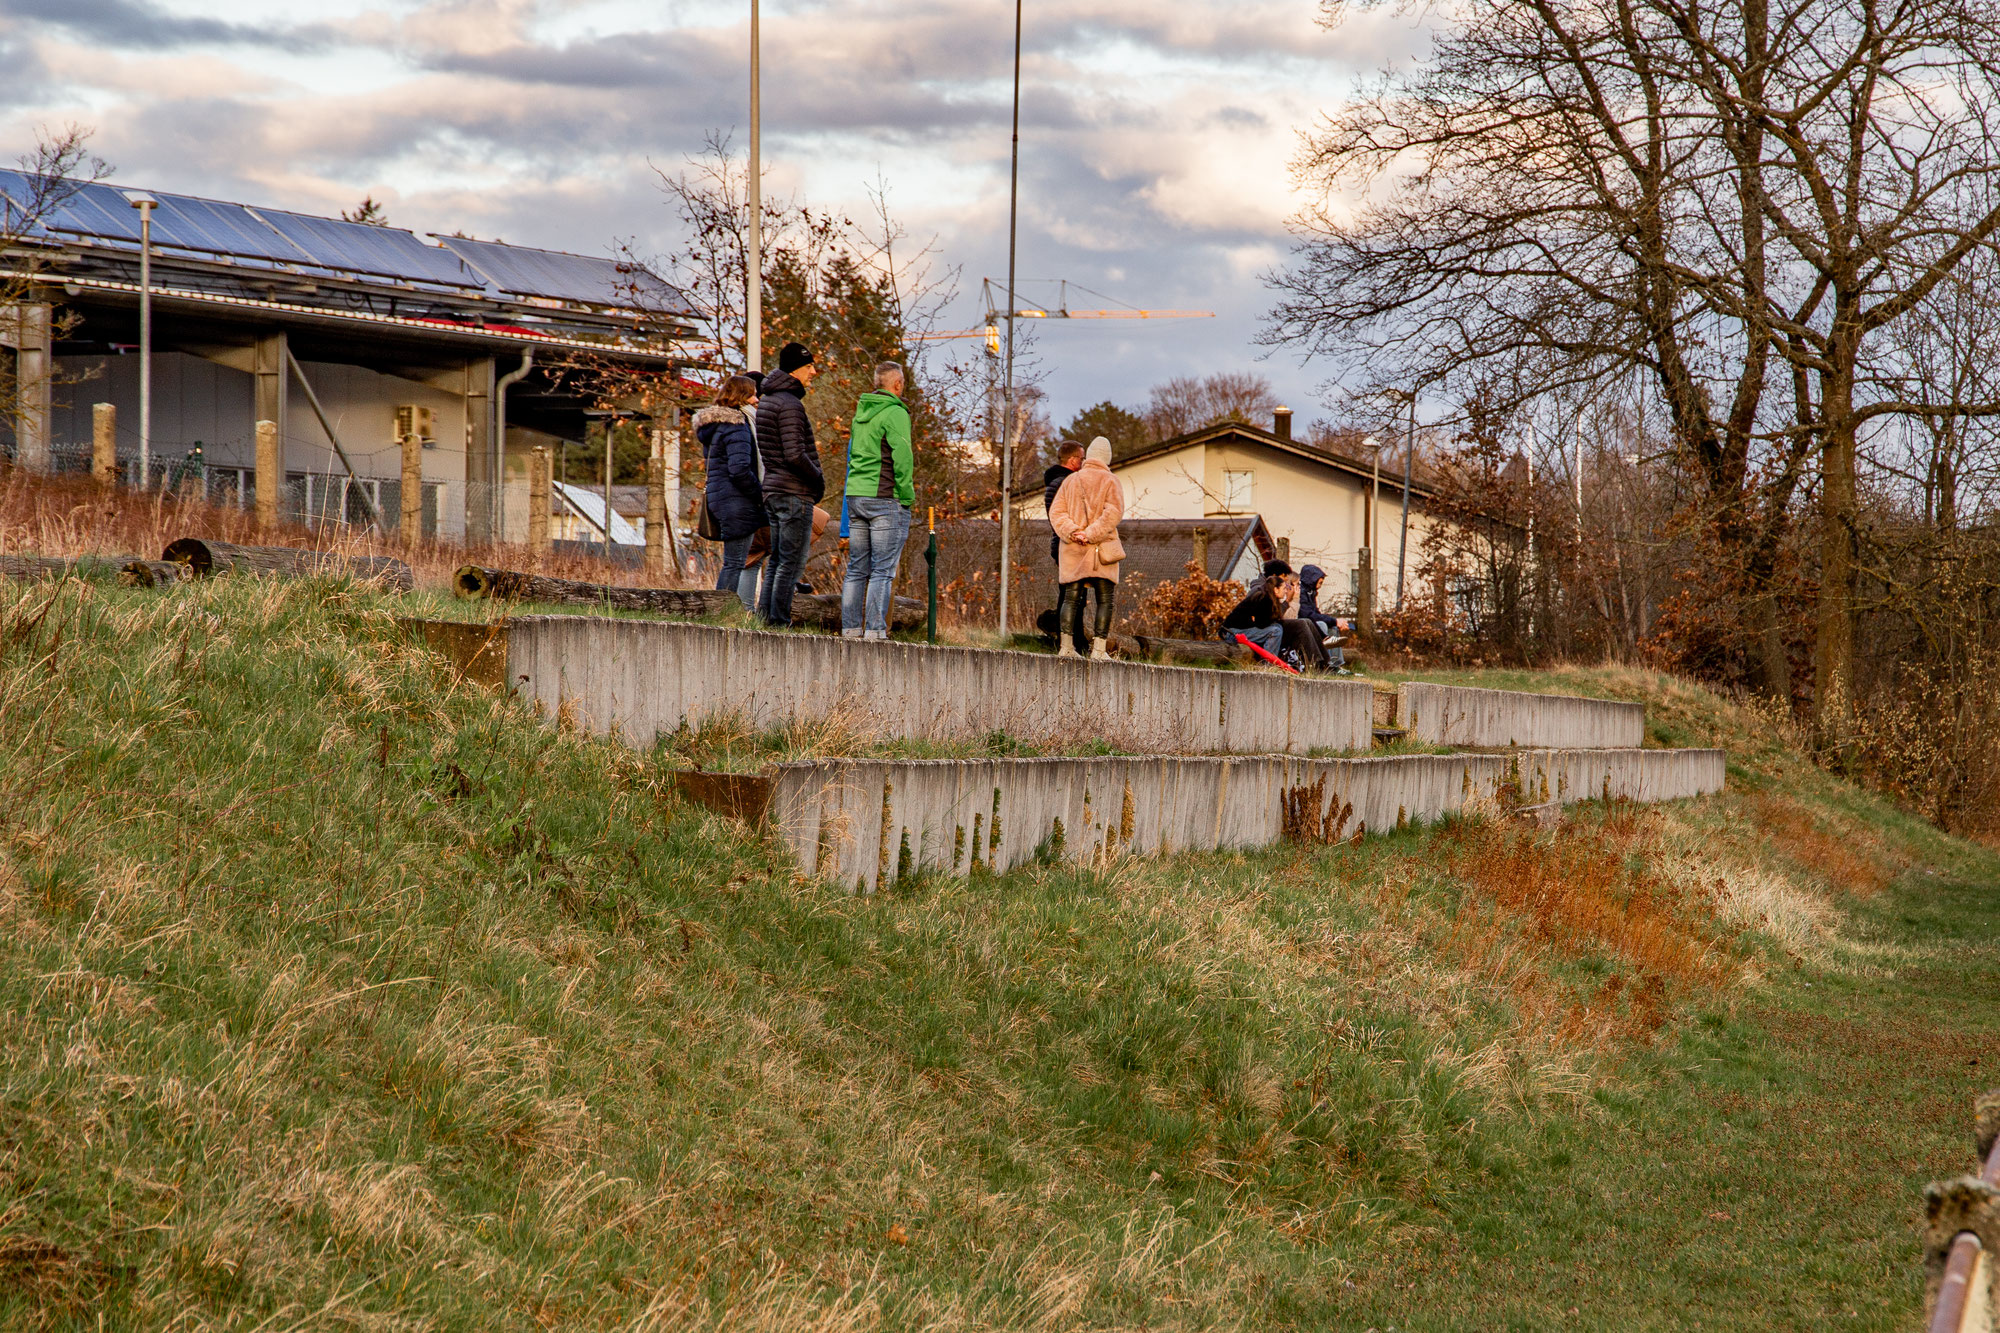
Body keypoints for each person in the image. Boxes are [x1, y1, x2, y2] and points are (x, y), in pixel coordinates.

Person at [841, 362, 916, 640]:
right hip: (884, 498)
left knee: (857, 568)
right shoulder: (895, 412)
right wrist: (906, 496)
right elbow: (903, 458)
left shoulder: (861, 412)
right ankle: (874, 631)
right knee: (882, 570)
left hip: (856, 496)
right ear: (897, 384)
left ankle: (849, 629)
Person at [754, 342, 823, 626]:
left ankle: (763, 620)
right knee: (791, 563)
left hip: (774, 489)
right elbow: (795, 454)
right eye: (809, 367)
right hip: (793, 492)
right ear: (796, 369)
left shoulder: (769, 399)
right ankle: (779, 622)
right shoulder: (790, 404)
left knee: (778, 562)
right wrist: (817, 477)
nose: (814, 372)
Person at [1047, 436, 1125, 660]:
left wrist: (1074, 532)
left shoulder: (1071, 480)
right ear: (1107, 458)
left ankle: (1066, 647)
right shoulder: (1111, 481)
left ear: (1089, 456)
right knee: (1105, 599)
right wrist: (1091, 534)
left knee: (1071, 597)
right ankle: (1099, 650)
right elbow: (1113, 514)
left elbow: (1056, 513)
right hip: (1101, 549)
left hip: (1073, 548)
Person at [694, 375, 765, 611]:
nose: (757, 399)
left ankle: (721, 611)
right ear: (741, 396)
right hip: (737, 501)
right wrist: (760, 495)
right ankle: (720, 613)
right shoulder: (738, 426)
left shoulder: (717, 427)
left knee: (732, 562)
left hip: (721, 497)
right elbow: (739, 470)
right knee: (735, 563)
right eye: (753, 393)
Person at [1222, 560, 1330, 672]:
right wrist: (1287, 601)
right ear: (1274, 580)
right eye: (1284, 581)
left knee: (1304, 622)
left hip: (1257, 627)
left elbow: (1270, 618)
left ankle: (1324, 663)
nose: (1287, 586)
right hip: (1236, 632)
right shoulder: (1259, 592)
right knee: (1276, 630)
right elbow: (1263, 622)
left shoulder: (1270, 591)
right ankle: (1268, 666)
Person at [1296, 563, 1354, 674]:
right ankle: (1327, 663)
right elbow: (1308, 615)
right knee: (1322, 625)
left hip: (1310, 621)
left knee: (1333, 628)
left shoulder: (1311, 593)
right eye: (1320, 582)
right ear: (1312, 580)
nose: (1321, 585)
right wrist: (1335, 620)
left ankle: (1336, 664)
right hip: (1303, 624)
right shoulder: (1302, 593)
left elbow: (1316, 612)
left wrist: (1334, 622)